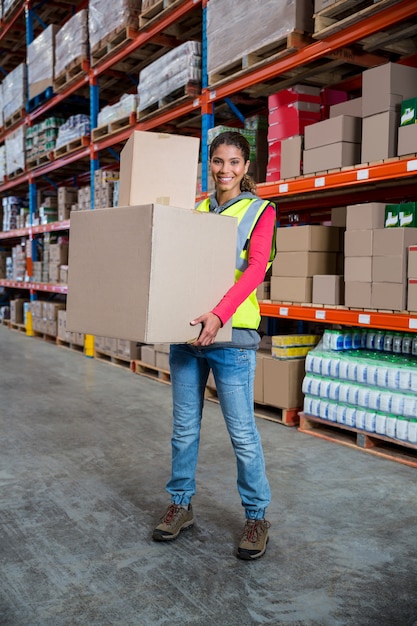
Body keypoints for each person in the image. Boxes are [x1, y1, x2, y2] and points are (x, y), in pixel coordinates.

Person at [152, 131, 277, 560]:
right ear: (210, 164)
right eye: (218, 162)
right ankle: (180, 506)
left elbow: (254, 270)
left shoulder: (261, 211)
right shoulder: (198, 210)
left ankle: (257, 516)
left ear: (247, 167)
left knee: (242, 433)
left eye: (234, 163)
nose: (225, 170)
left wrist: (219, 315)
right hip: (189, 336)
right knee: (183, 430)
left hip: (232, 338)